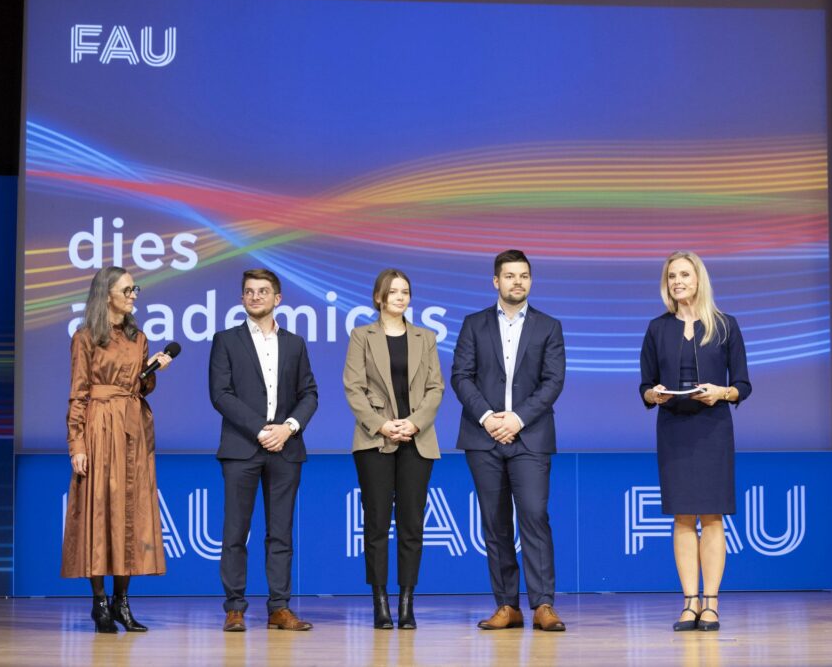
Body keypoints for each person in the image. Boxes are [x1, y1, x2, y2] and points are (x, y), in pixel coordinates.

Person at [451, 249, 567, 632]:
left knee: (534, 516)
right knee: (495, 523)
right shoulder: (474, 324)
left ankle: (543, 605)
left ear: (530, 281)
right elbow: (461, 376)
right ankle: (507, 605)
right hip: (483, 437)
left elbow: (553, 382)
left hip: (530, 436)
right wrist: (488, 417)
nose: (517, 282)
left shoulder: (549, 326)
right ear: (495, 282)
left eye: (524, 276)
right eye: (510, 275)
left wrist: (516, 419)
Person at [639, 251, 751, 632]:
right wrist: (653, 395)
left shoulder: (725, 326)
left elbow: (743, 385)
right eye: (672, 276)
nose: (678, 281)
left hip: (712, 430)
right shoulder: (657, 328)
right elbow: (645, 384)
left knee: (713, 517)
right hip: (674, 429)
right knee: (683, 517)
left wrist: (723, 392)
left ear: (699, 279)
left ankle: (712, 604)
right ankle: (689, 603)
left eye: (685, 274)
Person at [61, 266, 173, 633]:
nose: (134, 294)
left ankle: (122, 602)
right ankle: (99, 604)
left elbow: (141, 387)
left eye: (134, 288)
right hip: (97, 426)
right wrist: (76, 443)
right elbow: (78, 394)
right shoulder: (85, 337)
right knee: (99, 510)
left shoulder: (137, 337)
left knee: (131, 511)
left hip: (132, 428)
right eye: (127, 289)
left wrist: (153, 369)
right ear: (105, 294)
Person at [210, 269, 318, 632]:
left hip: (285, 448)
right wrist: (260, 430)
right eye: (249, 291)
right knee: (235, 532)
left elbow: (309, 394)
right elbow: (220, 394)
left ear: (278, 299)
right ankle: (235, 608)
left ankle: (279, 608)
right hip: (242, 448)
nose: (255, 296)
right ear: (242, 299)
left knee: (280, 533)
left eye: (263, 291)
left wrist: (287, 428)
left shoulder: (295, 343)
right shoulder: (225, 340)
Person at [343, 269, 445, 630]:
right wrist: (382, 424)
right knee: (375, 524)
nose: (400, 297)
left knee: (412, 525)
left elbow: (436, 388)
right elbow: (353, 388)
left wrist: (414, 422)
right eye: (393, 292)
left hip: (417, 438)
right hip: (375, 440)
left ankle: (406, 603)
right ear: (379, 297)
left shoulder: (425, 337)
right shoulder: (361, 336)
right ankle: (380, 602)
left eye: (405, 292)